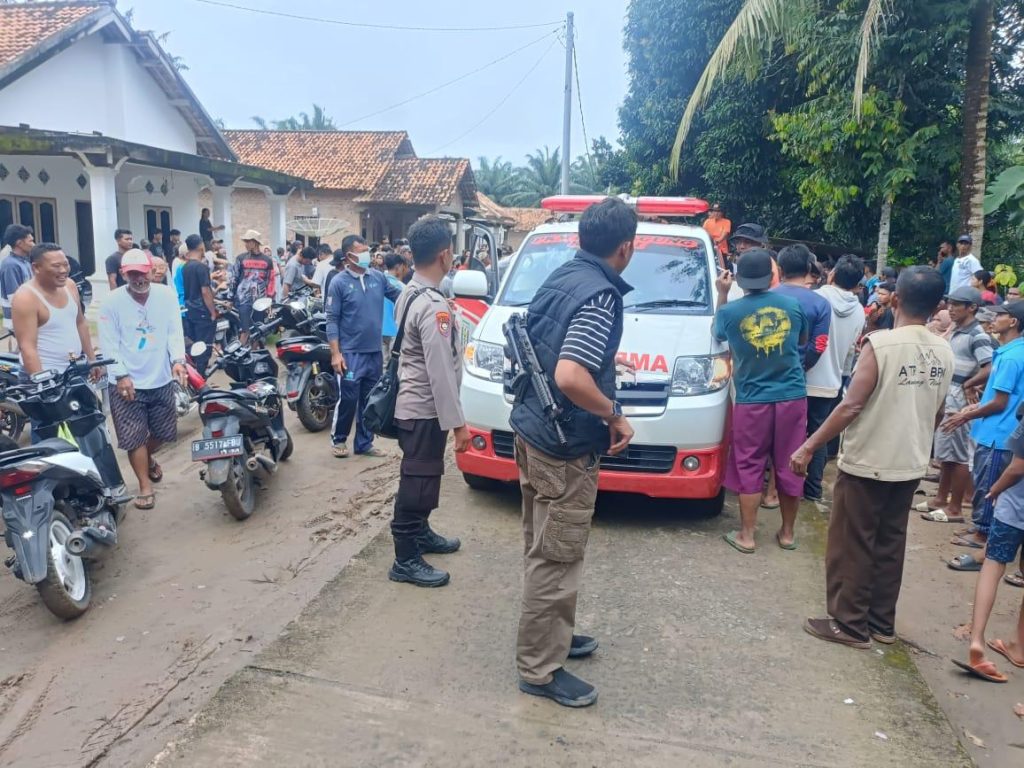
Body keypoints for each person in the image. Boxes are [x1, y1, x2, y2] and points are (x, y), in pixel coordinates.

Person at [509, 197, 637, 708]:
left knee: (543, 548)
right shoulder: (601, 295)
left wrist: (605, 359)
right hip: (565, 447)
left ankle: (551, 637)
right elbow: (569, 375)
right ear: (626, 247)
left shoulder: (563, 275)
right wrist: (614, 413)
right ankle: (539, 669)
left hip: (532, 432)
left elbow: (553, 346)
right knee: (557, 558)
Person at [790, 266, 953, 648]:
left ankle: (849, 624)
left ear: (896, 300)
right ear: (935, 306)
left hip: (870, 459)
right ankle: (881, 622)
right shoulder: (944, 349)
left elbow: (851, 406)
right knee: (890, 542)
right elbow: (938, 410)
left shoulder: (881, 345)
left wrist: (809, 445)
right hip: (910, 459)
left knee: (852, 541)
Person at [387, 217, 470, 589]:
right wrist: (460, 425)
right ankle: (405, 558)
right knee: (416, 481)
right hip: (424, 409)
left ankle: (420, 533)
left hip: (415, 404)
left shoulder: (410, 292)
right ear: (445, 254)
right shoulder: (434, 306)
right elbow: (441, 373)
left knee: (425, 476)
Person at [714, 249, 808, 554]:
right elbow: (802, 340)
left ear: (738, 279)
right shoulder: (792, 306)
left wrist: (722, 295)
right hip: (792, 397)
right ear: (772, 277)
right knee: (791, 463)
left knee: (749, 464)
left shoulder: (729, 312)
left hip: (752, 401)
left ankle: (747, 535)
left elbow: (717, 335)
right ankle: (788, 534)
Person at [98, 249, 187, 511]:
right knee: (134, 437)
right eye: (132, 274)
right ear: (124, 274)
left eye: (142, 272)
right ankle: (145, 485)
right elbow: (108, 342)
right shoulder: (111, 302)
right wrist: (121, 375)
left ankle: (146, 459)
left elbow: (174, 330)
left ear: (152, 270)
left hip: (159, 377)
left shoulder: (166, 296)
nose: (139, 278)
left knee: (163, 432)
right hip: (127, 382)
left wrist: (178, 360)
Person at [941, 299, 1024, 565]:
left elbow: (1000, 403)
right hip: (996, 429)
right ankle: (980, 530)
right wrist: (975, 407)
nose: (992, 319)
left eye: (999, 315)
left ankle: (982, 536)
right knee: (985, 483)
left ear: (1013, 322)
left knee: (988, 486)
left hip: (998, 433)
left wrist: (967, 413)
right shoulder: (1011, 351)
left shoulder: (1011, 357)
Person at [956, 405, 1024, 681]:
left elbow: (1019, 464)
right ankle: (1018, 646)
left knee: (993, 565)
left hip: (1015, 507)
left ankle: (977, 639)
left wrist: (995, 489)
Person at [919, 287, 992, 524]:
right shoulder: (959, 330)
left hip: (960, 400)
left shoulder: (977, 334)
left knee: (959, 454)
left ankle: (955, 508)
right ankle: (941, 499)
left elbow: (989, 366)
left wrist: (969, 384)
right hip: (949, 395)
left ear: (972, 307)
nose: (950, 308)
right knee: (945, 452)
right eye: (950, 303)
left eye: (957, 304)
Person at [325, 234, 402, 459]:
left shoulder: (378, 278)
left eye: (367, 249)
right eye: (362, 250)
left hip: (374, 352)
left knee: (370, 400)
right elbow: (332, 320)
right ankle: (339, 440)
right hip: (349, 353)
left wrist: (429, 295)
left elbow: (401, 294)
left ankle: (364, 443)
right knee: (348, 398)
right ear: (349, 255)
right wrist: (335, 354)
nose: (367, 254)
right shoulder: (339, 282)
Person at [802, 254, 866, 502]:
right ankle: (813, 489)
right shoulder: (859, 310)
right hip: (833, 381)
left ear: (833, 274)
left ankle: (786, 484)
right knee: (818, 436)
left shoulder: (817, 298)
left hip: (806, 377)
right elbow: (851, 348)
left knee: (796, 434)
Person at [227, 230, 275, 343]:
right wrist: (230, 298)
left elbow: (270, 281)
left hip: (261, 301)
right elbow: (234, 279)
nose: (246, 244)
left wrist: (270, 300)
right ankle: (241, 355)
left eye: (247, 241)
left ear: (254, 242)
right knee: (245, 330)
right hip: (243, 300)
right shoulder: (240, 258)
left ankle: (254, 355)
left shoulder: (267, 260)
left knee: (257, 330)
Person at [181, 234, 217, 375]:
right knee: (204, 347)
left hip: (190, 309)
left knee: (194, 345)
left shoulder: (185, 267)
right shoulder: (201, 267)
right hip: (202, 310)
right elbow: (205, 291)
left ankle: (194, 374)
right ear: (201, 245)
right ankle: (200, 377)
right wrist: (212, 311)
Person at [1, 224, 35, 332]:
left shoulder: (25, 262)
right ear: (19, 243)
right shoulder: (10, 265)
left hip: (29, 317)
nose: (33, 244)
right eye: (30, 241)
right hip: (19, 320)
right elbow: (14, 297)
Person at [381, 251, 409, 357]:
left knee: (383, 367)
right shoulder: (402, 287)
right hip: (395, 332)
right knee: (394, 366)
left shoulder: (378, 281)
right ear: (400, 267)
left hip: (379, 331)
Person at [702, 203, 732, 269]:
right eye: (715, 211)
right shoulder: (707, 221)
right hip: (708, 247)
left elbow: (725, 233)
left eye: (718, 211)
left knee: (723, 269)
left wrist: (718, 240)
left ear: (722, 212)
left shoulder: (727, 222)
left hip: (721, 250)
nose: (716, 213)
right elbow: (703, 232)